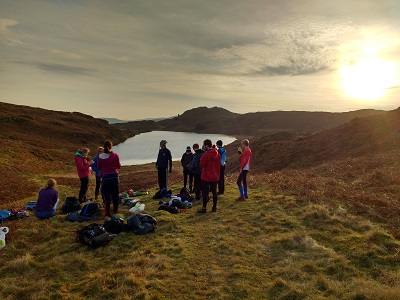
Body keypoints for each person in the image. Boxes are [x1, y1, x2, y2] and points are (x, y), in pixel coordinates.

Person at [97, 140, 121, 218]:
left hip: (106, 177)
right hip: (114, 176)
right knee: (115, 193)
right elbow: (118, 166)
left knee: (106, 193)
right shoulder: (115, 155)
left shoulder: (100, 156)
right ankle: (115, 209)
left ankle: (107, 211)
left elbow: (98, 167)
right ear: (111, 146)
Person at [198, 139, 220, 213]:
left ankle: (204, 208)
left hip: (206, 177)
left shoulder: (206, 154)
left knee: (205, 193)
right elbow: (219, 164)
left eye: (204, 145)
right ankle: (214, 208)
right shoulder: (217, 154)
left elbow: (202, 164)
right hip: (215, 176)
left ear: (206, 145)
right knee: (214, 192)